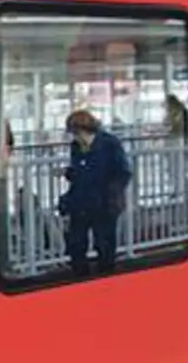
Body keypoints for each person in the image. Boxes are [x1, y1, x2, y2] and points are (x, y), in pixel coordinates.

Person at [57, 110, 133, 277]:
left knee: (104, 246)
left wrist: (111, 193)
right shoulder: (76, 147)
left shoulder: (110, 144)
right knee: (76, 245)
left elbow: (123, 172)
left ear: (85, 130)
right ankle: (81, 277)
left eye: (77, 133)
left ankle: (105, 281)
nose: (76, 138)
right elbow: (81, 173)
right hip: (81, 202)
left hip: (104, 204)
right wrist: (68, 173)